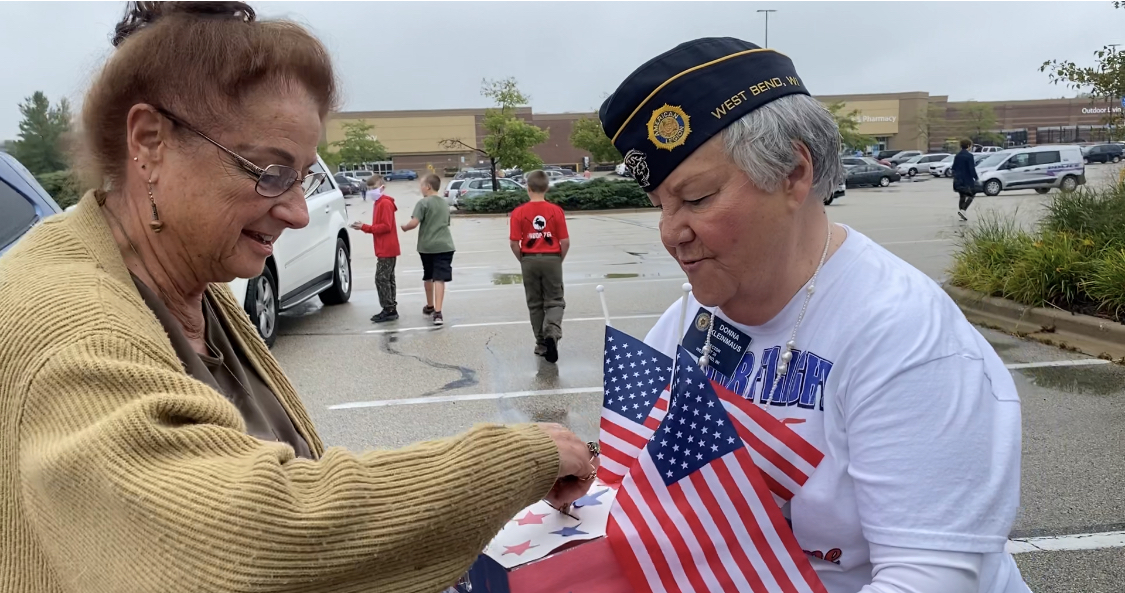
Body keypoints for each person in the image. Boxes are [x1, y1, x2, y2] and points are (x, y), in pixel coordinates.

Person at [0, 4, 597, 592]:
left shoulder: (192, 288)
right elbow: (240, 538)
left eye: (304, 175)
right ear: (150, 142)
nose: (296, 210)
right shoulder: (71, 327)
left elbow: (292, 473)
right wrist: (508, 462)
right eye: (268, 170)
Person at [600, 37, 1029, 593]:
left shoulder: (902, 336)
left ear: (793, 174)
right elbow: (642, 470)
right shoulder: (688, 319)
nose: (671, 233)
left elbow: (932, 578)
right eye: (661, 206)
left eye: (698, 198)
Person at [509, 170, 569, 363]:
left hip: (529, 259)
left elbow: (513, 243)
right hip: (552, 258)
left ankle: (541, 343)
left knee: (535, 304)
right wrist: (558, 259)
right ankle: (552, 330)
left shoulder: (518, 212)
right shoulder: (556, 211)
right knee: (555, 300)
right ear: (547, 188)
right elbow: (565, 241)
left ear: (528, 188)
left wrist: (524, 260)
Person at [401, 173, 455, 326]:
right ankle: (438, 311)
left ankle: (430, 305)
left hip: (427, 246)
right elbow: (446, 222)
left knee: (429, 275)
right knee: (440, 278)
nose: (420, 188)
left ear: (428, 187)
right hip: (445, 245)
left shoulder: (423, 203)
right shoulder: (445, 203)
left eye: (421, 185)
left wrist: (404, 227)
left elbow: (414, 222)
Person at [351, 175, 400, 322]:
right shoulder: (379, 203)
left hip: (387, 247)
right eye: (369, 189)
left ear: (382, 187)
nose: (371, 191)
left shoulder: (384, 204)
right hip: (385, 247)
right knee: (388, 278)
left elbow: (386, 226)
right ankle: (390, 307)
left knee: (381, 278)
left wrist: (364, 227)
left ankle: (388, 308)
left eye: (374, 188)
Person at [953, 138, 980, 221]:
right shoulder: (969, 156)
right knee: (972, 194)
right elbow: (971, 168)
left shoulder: (957, 156)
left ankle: (962, 213)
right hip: (967, 180)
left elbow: (954, 167)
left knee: (962, 196)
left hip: (958, 179)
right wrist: (976, 177)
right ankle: (963, 210)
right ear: (968, 146)